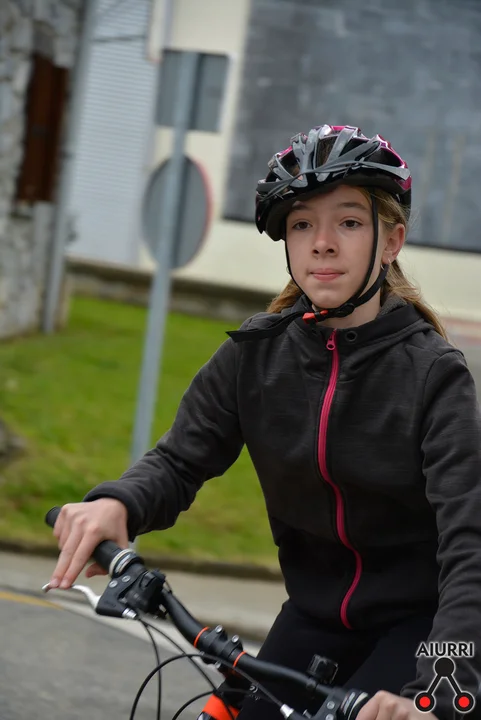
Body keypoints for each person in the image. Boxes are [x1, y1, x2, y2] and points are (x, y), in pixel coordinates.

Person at [48, 125, 481, 720]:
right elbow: (179, 461)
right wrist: (118, 503)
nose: (322, 244)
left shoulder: (434, 375)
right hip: (311, 618)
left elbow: (469, 544)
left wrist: (442, 690)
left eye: (349, 222)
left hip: (422, 629)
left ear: (391, 241)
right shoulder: (255, 355)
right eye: (302, 224)